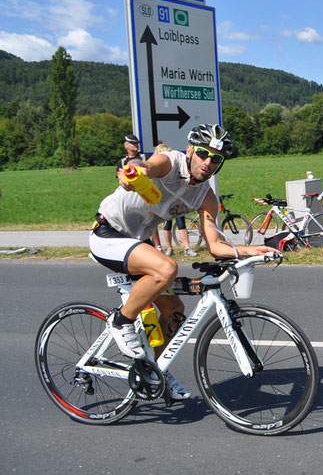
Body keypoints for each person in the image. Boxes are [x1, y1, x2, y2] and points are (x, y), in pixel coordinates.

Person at [90, 124, 275, 400]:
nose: (208, 162)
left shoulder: (205, 196)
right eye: (203, 153)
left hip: (138, 243)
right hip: (108, 233)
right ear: (190, 150)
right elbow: (149, 165)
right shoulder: (171, 162)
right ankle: (121, 321)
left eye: (216, 158)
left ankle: (154, 372)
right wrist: (135, 171)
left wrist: (254, 250)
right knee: (167, 268)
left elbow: (216, 246)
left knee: (175, 310)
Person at [116, 134, 163, 251]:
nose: (136, 145)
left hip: (146, 192)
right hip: (131, 195)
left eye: (137, 143)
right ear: (126, 145)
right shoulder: (122, 161)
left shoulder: (144, 156)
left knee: (150, 219)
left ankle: (157, 245)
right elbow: (119, 178)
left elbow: (152, 167)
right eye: (133, 143)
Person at [154, 144, 197, 258]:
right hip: (165, 202)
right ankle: (169, 248)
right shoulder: (158, 170)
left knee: (181, 224)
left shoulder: (176, 168)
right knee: (167, 225)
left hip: (177, 201)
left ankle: (187, 248)